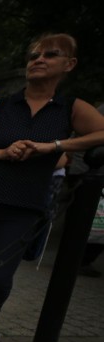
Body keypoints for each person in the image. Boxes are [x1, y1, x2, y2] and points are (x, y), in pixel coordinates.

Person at [0, 33, 104, 342]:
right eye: (34, 55)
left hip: (23, 206)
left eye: (50, 54)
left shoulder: (69, 108)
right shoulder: (1, 105)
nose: (38, 60)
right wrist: (3, 153)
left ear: (69, 64)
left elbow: (100, 133)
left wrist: (55, 146)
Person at [70, 103, 104, 278]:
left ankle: (83, 260)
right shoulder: (98, 113)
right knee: (81, 219)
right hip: (87, 171)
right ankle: (73, 259)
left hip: (92, 173)